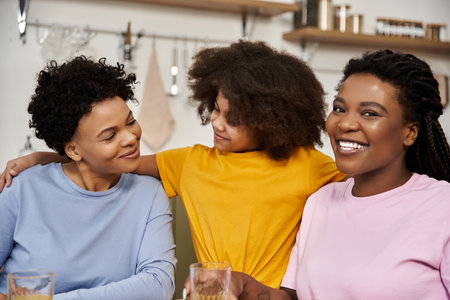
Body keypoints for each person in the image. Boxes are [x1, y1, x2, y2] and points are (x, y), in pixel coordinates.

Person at [0, 40, 344, 289]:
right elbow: (115, 163)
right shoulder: (191, 163)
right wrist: (46, 158)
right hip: (210, 293)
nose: (217, 123)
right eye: (216, 109)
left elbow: (372, 184)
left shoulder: (310, 166)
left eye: (234, 119)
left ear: (272, 120)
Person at [224, 49, 450, 300]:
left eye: (369, 113)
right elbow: (292, 297)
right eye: (339, 109)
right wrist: (243, 285)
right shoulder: (320, 202)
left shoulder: (442, 206)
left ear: (410, 132)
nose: (345, 124)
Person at [0, 56, 176, 300]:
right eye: (109, 136)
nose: (130, 138)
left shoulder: (149, 194)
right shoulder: (21, 189)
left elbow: (159, 285)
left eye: (130, 122)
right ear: (73, 150)